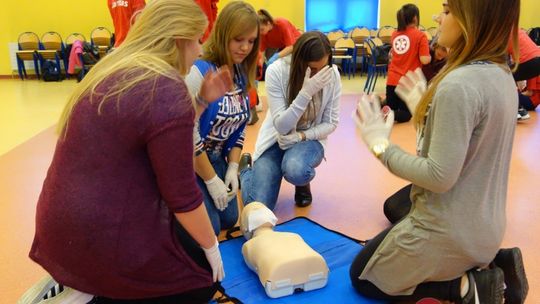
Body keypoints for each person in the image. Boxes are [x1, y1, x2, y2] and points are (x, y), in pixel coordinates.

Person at [29, 0, 234, 302]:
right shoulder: (166, 87)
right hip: (98, 235)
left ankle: (82, 281)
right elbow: (182, 197)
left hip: (61, 228)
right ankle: (92, 294)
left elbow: (159, 131)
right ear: (178, 40)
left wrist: (201, 102)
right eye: (197, 40)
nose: (201, 51)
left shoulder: (118, 68)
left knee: (188, 251)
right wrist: (212, 249)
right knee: (202, 280)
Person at [350, 0, 528, 303]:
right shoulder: (501, 75)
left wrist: (380, 145)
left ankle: (468, 287)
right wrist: (424, 113)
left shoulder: (458, 84)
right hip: (486, 227)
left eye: (446, 10)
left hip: (454, 234)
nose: (437, 16)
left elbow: (439, 175)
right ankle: (492, 261)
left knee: (363, 276)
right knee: (396, 206)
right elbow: (459, 152)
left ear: (470, 21)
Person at [240, 31, 341, 210]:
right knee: (258, 206)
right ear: (298, 62)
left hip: (308, 140)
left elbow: (331, 123)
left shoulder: (332, 75)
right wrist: (306, 93)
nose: (319, 75)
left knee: (296, 169)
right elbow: (281, 125)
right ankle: (246, 169)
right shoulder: (277, 71)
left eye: (323, 68)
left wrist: (301, 136)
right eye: (313, 69)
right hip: (276, 140)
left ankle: (300, 181)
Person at [185, 1, 259, 236]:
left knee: (229, 220)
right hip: (192, 161)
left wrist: (233, 166)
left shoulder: (240, 70)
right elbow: (186, 132)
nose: (245, 47)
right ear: (224, 34)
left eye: (251, 41)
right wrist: (209, 179)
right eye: (239, 39)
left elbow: (240, 127)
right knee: (211, 228)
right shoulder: (199, 71)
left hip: (218, 159)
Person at [239, 202, 328, 298]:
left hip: (278, 284)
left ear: (245, 229)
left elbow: (252, 265)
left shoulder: (248, 246)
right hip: (318, 274)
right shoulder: (293, 235)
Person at [385, 3, 431, 123]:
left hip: (392, 80)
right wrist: (430, 56)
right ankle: (386, 113)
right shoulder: (421, 36)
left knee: (391, 108)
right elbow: (424, 60)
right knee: (406, 115)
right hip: (408, 83)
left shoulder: (395, 34)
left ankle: (378, 108)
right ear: (415, 18)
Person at [509, 29, 540, 120]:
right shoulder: (517, 31)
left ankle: (518, 109)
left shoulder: (504, 32)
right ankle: (519, 109)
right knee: (507, 76)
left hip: (531, 102)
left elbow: (530, 93)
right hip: (533, 62)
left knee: (503, 77)